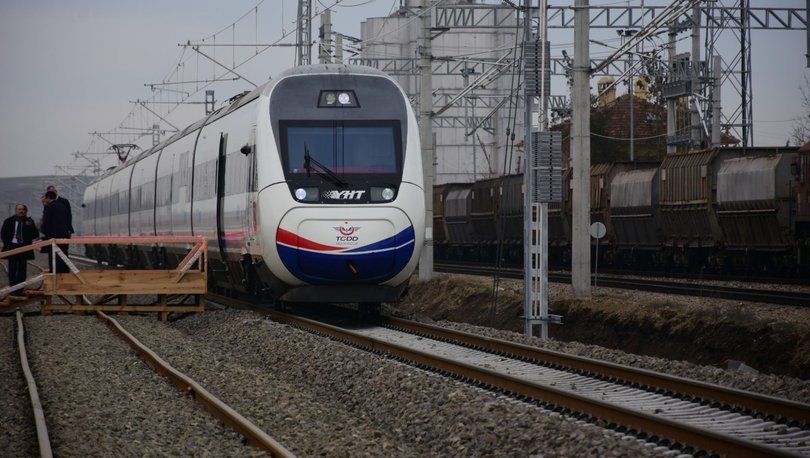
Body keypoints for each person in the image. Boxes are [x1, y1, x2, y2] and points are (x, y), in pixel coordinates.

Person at [1, 205, 39, 295]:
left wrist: (30, 226)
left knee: (22, 269)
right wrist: (8, 243)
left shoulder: (29, 221)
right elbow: (3, 233)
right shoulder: (9, 221)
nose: (21, 211)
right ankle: (12, 288)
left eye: (23, 210)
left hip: (24, 247)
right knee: (12, 269)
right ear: (16, 210)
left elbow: (35, 235)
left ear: (26, 211)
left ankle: (20, 289)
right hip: (12, 246)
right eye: (19, 209)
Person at [40, 191, 71, 273]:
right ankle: (65, 273)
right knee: (63, 255)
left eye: (45, 198)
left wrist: (43, 230)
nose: (44, 200)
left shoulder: (49, 207)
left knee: (54, 256)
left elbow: (46, 222)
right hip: (64, 235)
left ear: (48, 197)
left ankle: (55, 273)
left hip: (53, 236)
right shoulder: (62, 206)